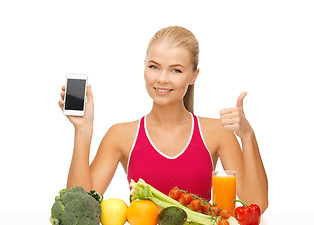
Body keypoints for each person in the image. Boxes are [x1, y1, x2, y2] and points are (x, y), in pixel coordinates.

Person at [59, 26, 268, 213]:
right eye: (154, 67)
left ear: (194, 75)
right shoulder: (120, 135)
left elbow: (255, 204)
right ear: (144, 67)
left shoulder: (216, 132)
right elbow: (78, 206)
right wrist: (82, 131)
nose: (162, 78)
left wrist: (248, 136)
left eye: (176, 70)